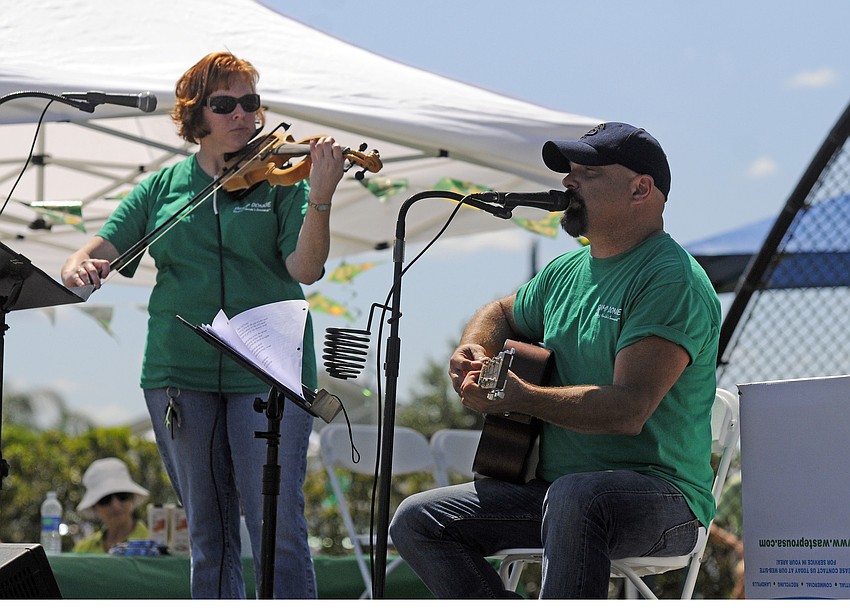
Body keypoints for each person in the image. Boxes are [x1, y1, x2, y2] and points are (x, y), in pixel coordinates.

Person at [389, 122, 722, 599]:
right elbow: (500, 311)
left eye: (587, 172)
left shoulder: (670, 279)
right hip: (558, 497)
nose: (568, 181)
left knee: (578, 497)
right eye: (569, 170)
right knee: (419, 520)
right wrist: (474, 347)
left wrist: (522, 396)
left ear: (640, 189)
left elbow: (628, 410)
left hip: (663, 502)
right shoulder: (566, 271)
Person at [61, 51, 345, 598]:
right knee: (209, 538)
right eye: (224, 104)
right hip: (179, 370)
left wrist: (323, 199)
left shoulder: (284, 181)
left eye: (250, 103)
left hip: (268, 373)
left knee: (277, 529)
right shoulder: (160, 187)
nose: (242, 115)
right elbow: (93, 248)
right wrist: (82, 266)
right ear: (195, 117)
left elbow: (305, 269)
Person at [73, 457, 150, 553]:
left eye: (122, 495)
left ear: (132, 498)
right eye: (105, 499)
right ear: (94, 507)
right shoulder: (83, 550)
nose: (116, 505)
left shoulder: (154, 544)